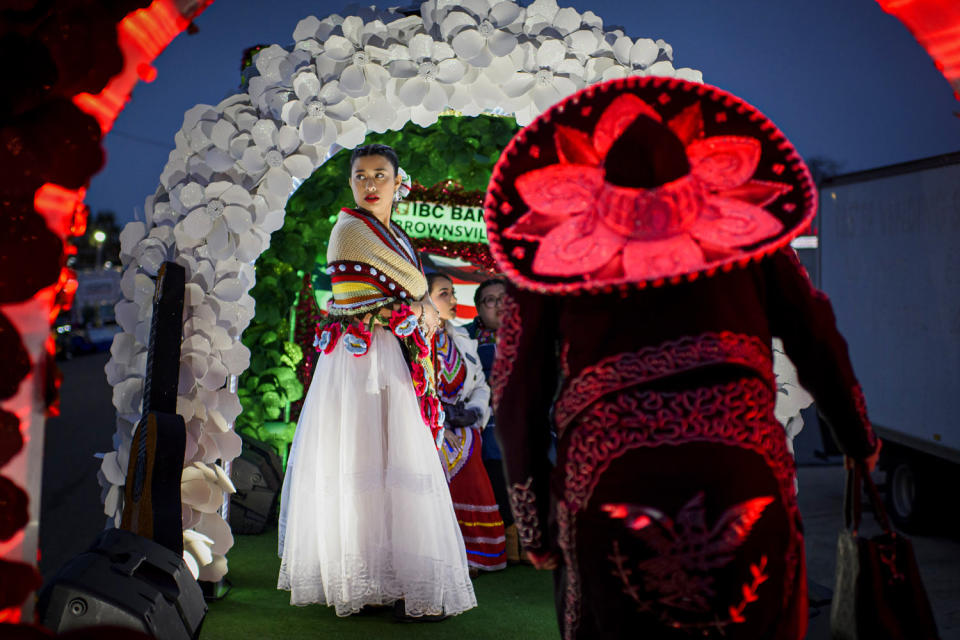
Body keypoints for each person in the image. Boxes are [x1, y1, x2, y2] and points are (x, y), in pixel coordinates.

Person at [485, 77, 881, 639]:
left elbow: (515, 391)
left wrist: (536, 527)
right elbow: (816, 337)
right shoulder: (751, 237)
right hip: (739, 462)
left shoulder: (553, 253)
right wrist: (858, 440)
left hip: (607, 475)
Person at [277, 143, 476, 620]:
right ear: (351, 183)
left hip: (395, 357)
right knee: (368, 460)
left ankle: (397, 581)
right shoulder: (349, 231)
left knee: (395, 462)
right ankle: (368, 583)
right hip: (363, 357)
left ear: (396, 181)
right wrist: (415, 309)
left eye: (380, 175)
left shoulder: (397, 234)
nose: (370, 184)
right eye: (362, 175)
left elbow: (416, 302)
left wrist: (420, 310)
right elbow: (351, 303)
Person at [427, 273, 507, 574]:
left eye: (453, 293)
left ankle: (472, 553)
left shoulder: (460, 336)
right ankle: (443, 554)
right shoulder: (414, 339)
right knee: (446, 451)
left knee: (469, 445)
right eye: (444, 293)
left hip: (463, 422)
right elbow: (412, 386)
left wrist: (474, 412)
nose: (453, 300)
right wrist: (440, 420)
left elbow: (480, 385)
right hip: (429, 423)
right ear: (425, 299)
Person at [465, 277, 523, 563]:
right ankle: (508, 530)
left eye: (505, 299)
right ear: (478, 308)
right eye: (491, 300)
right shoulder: (465, 339)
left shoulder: (534, 337)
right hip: (488, 422)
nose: (500, 305)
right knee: (495, 448)